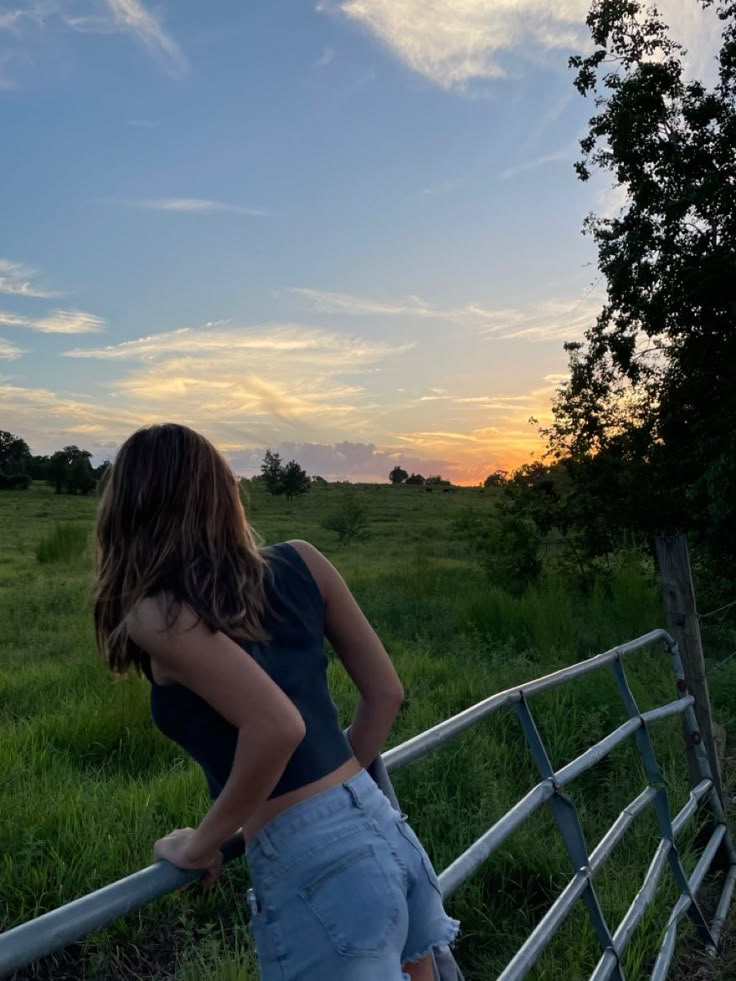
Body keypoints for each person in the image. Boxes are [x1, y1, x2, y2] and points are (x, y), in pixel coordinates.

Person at [93, 423, 460, 981]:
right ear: (222, 493)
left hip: (319, 868)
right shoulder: (304, 561)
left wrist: (201, 844)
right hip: (383, 827)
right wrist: (335, 795)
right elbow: (386, 693)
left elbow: (275, 726)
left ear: (130, 508)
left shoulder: (157, 614)